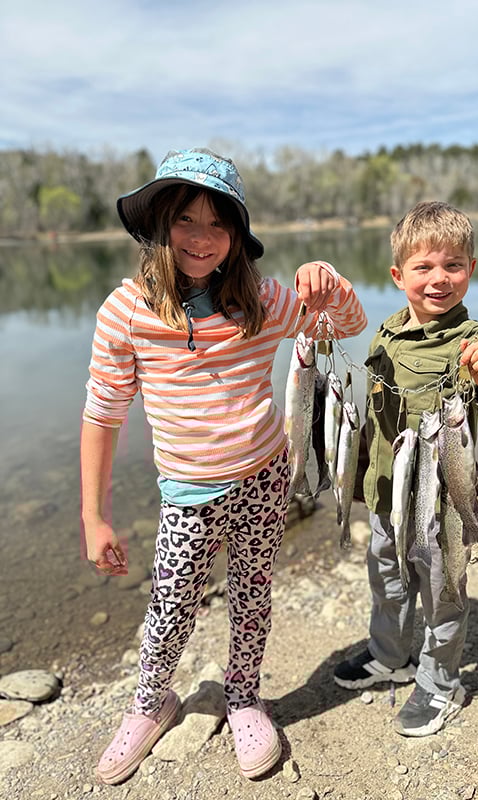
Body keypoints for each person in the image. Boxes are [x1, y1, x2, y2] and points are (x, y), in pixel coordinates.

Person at [80, 147, 367, 784]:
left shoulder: (262, 301)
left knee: (252, 596)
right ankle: (152, 702)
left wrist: (330, 282)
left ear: (237, 235)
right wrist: (94, 516)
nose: (201, 238)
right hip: (186, 492)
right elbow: (102, 415)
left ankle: (243, 696)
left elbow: (348, 323)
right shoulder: (127, 312)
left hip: (266, 479)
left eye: (218, 223)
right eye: (186, 220)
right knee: (172, 602)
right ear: (160, 225)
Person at [334, 201, 478, 737]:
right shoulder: (386, 332)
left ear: (471, 269)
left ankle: (441, 682)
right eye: (424, 267)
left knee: (444, 593)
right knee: (388, 579)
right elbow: (373, 423)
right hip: (386, 499)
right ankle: (390, 655)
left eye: (453, 265)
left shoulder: (477, 344)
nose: (438, 279)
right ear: (399, 275)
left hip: (444, 507)